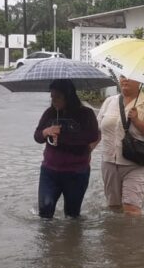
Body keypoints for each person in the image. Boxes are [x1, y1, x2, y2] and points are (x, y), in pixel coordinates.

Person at [96, 75, 144, 216]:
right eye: (123, 76)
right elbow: (98, 130)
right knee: (113, 208)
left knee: (131, 209)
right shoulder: (109, 101)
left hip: (136, 163)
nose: (125, 80)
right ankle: (116, 237)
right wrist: (86, 150)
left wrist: (137, 121)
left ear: (140, 81)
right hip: (109, 162)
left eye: (130, 77)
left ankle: (133, 237)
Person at [33, 80, 100, 219]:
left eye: (57, 97)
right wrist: (47, 132)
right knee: (45, 212)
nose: (54, 101)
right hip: (49, 171)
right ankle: (47, 240)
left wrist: (63, 137)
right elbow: (37, 136)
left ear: (69, 96)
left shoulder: (86, 114)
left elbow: (93, 135)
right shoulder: (50, 113)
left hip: (77, 172)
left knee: (72, 215)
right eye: (52, 97)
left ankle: (72, 239)